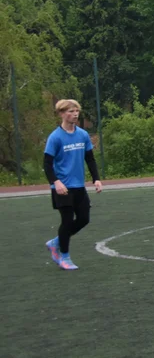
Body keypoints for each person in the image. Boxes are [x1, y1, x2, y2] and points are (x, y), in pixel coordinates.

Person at [43, 99, 103, 270]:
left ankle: (56, 242)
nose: (75, 114)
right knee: (67, 221)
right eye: (70, 111)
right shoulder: (55, 137)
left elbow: (89, 159)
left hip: (78, 186)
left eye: (76, 110)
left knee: (84, 218)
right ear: (61, 113)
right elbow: (47, 164)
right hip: (62, 187)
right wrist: (56, 182)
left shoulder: (82, 134)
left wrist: (96, 179)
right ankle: (64, 256)